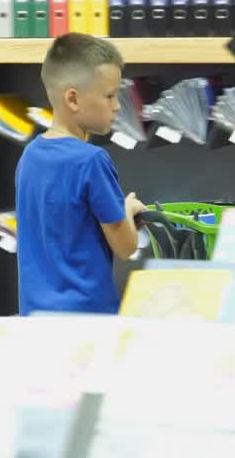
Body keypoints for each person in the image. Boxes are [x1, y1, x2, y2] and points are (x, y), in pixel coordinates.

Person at [14, 33, 146, 316]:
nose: (117, 106)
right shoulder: (92, 161)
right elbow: (126, 246)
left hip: (34, 317)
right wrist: (128, 209)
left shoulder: (29, 156)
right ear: (73, 99)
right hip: (87, 320)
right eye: (110, 96)